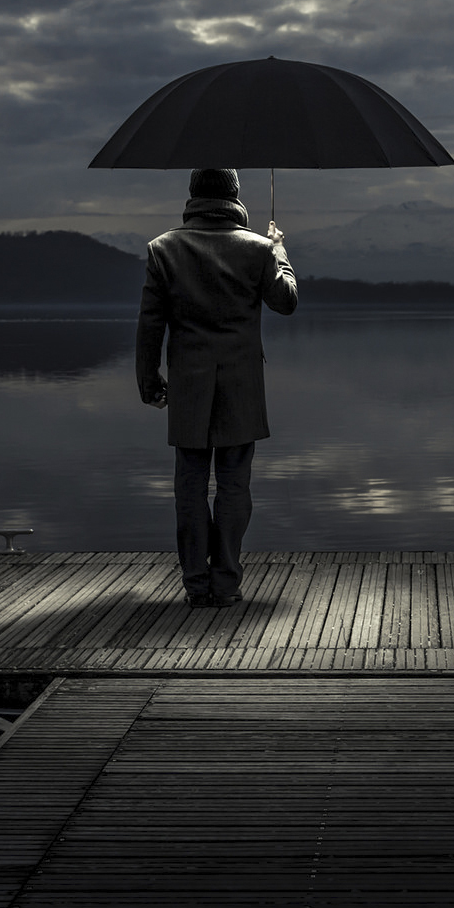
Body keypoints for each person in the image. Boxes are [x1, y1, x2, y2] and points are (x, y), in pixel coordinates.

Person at [135, 168, 298, 607]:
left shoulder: (163, 249)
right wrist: (279, 251)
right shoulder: (259, 248)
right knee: (234, 486)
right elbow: (287, 303)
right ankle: (226, 583)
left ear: (193, 195)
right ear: (235, 195)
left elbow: (150, 325)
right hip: (242, 386)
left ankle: (195, 584)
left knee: (188, 486)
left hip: (188, 384)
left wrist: (148, 382)